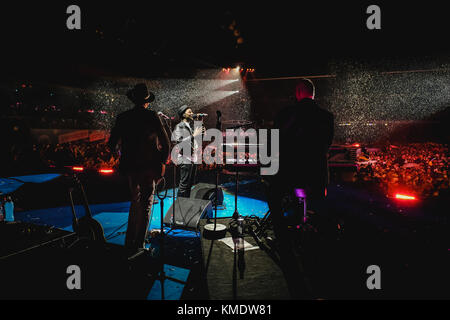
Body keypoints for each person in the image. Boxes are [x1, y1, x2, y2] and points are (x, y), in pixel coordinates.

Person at [268, 78, 334, 299]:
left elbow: (274, 143)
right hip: (316, 177)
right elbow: (326, 146)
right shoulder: (326, 117)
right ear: (313, 94)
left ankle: (283, 237)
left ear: (298, 92)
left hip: (291, 174)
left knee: (272, 193)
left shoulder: (286, 114)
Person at [108, 83, 170, 252]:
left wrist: (120, 154)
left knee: (134, 201)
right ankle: (139, 244)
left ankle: (129, 242)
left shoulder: (123, 117)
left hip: (131, 167)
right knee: (146, 203)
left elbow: (111, 144)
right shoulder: (152, 116)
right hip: (149, 168)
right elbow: (165, 143)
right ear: (147, 101)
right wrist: (162, 163)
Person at [172, 105, 203, 198]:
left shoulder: (189, 126)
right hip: (185, 158)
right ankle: (180, 206)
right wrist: (194, 135)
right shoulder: (179, 126)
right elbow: (179, 142)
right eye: (189, 112)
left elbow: (195, 141)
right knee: (184, 185)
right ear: (183, 114)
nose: (192, 114)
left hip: (192, 158)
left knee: (189, 185)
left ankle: (186, 203)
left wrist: (200, 132)